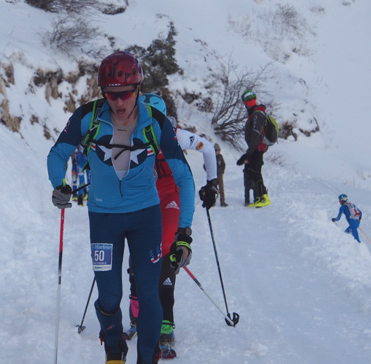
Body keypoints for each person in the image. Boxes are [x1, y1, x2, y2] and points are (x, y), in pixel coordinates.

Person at [47, 51, 196, 364]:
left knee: (148, 290)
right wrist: (59, 186)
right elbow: (57, 155)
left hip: (146, 217)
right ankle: (114, 350)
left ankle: (148, 358)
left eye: (125, 93)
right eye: (111, 94)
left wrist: (184, 232)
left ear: (138, 89)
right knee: (110, 295)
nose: (118, 101)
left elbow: (184, 177)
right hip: (103, 218)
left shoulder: (155, 122)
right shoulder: (87, 116)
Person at [124, 93, 218, 359]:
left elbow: (208, 148)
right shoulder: (130, 134)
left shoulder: (176, 135)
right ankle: (136, 311)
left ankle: (166, 321)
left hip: (170, 196)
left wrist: (211, 183)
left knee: (166, 249)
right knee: (138, 248)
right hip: (144, 195)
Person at [236, 90, 271, 207]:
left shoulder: (256, 115)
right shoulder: (257, 113)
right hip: (257, 148)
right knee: (254, 172)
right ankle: (261, 197)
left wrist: (249, 152)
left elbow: (255, 134)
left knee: (255, 172)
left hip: (257, 148)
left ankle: (263, 197)